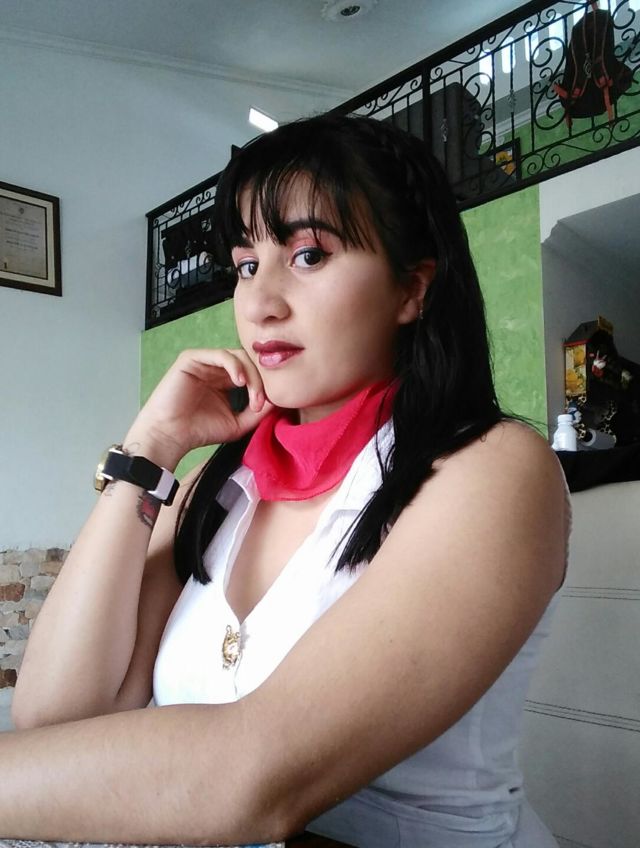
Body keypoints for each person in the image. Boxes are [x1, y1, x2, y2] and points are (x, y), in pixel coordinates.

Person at [5, 114, 568, 848]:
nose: (261, 303)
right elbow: (54, 715)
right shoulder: (215, 486)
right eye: (246, 265)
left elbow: (252, 776)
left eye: (308, 255)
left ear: (412, 288)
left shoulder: (492, 470)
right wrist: (149, 453)